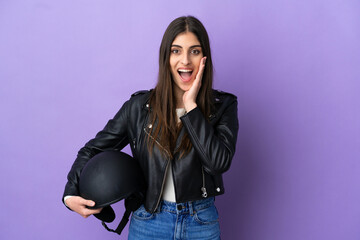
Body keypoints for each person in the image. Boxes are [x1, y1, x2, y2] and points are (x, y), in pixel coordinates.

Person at [63, 15, 239, 239]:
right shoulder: (138, 107)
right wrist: (70, 195)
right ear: (166, 57)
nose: (185, 60)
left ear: (204, 58)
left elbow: (218, 163)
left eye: (194, 51)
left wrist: (191, 108)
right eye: (176, 51)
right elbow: (92, 150)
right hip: (149, 221)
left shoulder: (222, 106)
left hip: (201, 221)